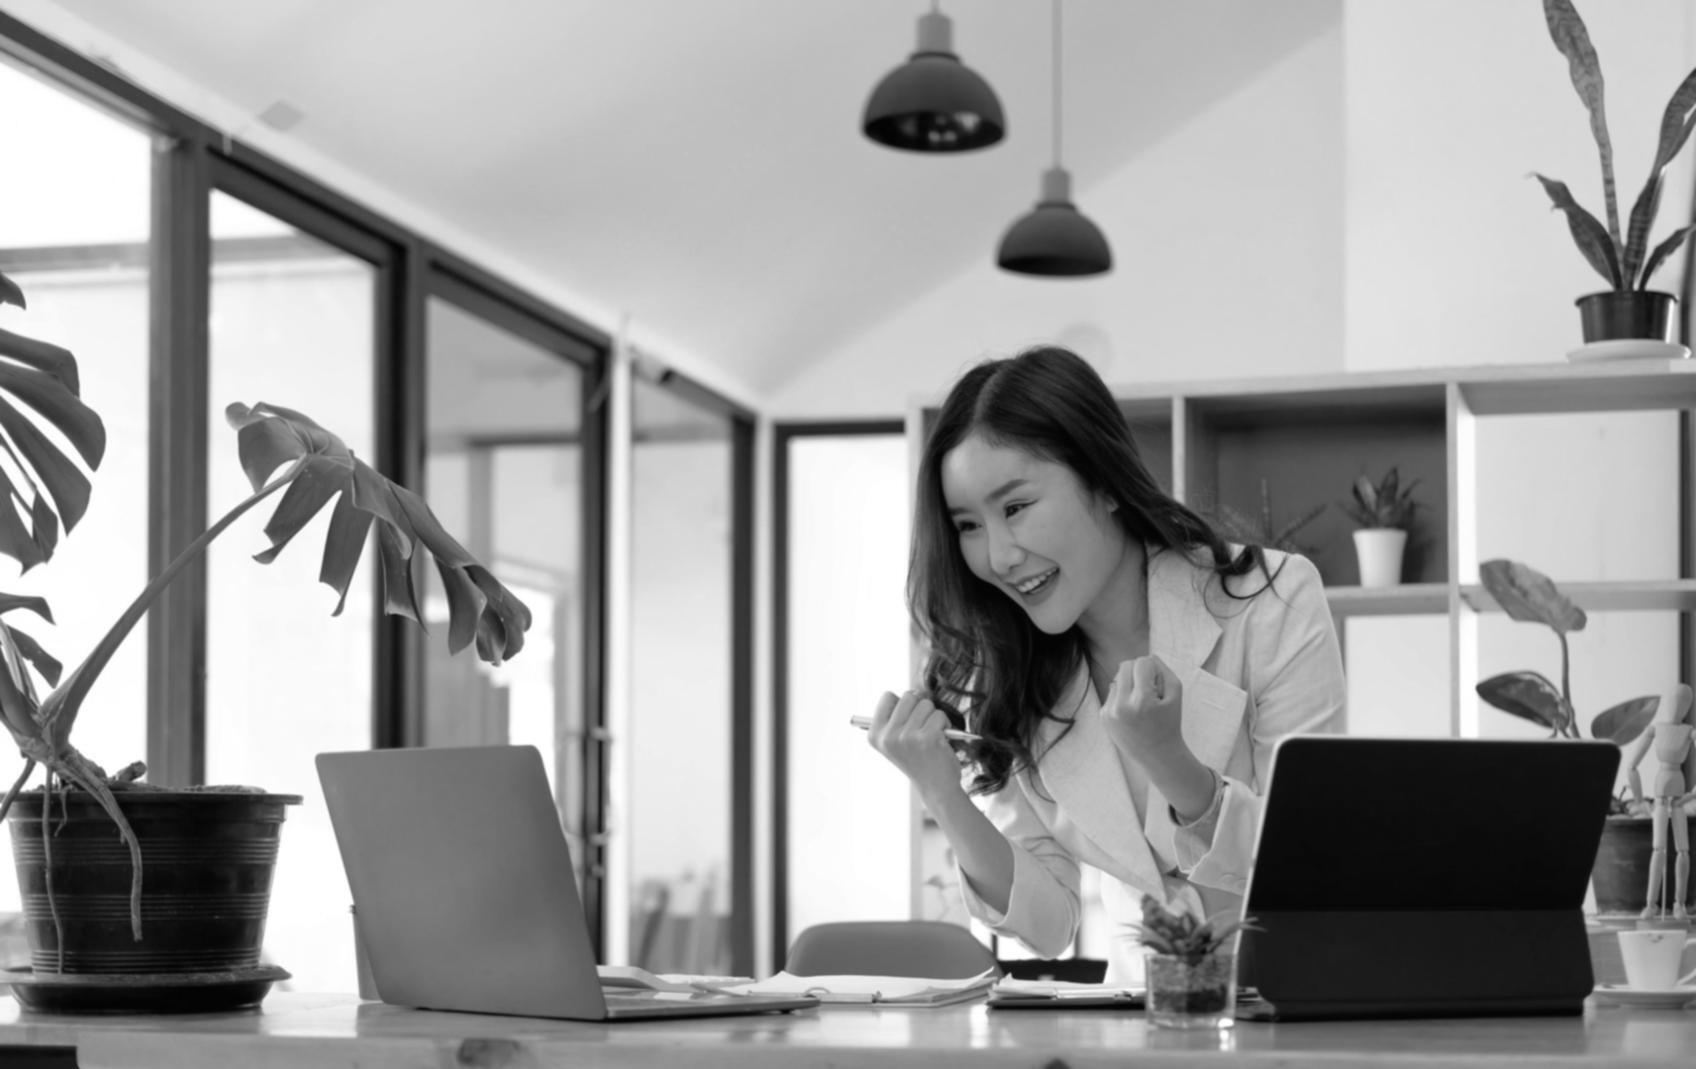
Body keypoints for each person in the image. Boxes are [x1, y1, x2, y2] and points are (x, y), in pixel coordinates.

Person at [865, 345, 1346, 981]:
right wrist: (941, 793)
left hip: (1289, 1006)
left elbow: (1309, 859)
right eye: (967, 525)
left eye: (1015, 508)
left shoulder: (1272, 597)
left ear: (1103, 481)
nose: (999, 556)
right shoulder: (1013, 672)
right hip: (1133, 1024)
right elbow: (1048, 923)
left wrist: (1173, 764)